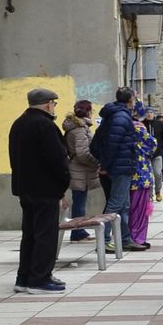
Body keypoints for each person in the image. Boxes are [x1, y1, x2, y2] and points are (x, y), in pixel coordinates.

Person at [8, 87, 70, 295]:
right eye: (54, 103)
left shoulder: (19, 123)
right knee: (46, 234)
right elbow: (57, 159)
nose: (54, 108)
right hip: (45, 188)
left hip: (25, 188)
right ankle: (39, 279)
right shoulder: (45, 125)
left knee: (30, 234)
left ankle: (24, 277)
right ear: (48, 104)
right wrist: (63, 185)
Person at [91, 86, 137, 231]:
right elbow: (112, 144)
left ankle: (124, 238)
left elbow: (97, 141)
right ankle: (104, 240)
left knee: (124, 204)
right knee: (116, 203)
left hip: (120, 165)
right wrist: (105, 165)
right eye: (134, 98)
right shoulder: (121, 117)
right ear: (130, 99)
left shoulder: (114, 114)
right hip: (120, 166)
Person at [64, 99, 101, 241]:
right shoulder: (79, 129)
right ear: (88, 111)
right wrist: (96, 162)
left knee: (79, 200)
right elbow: (83, 153)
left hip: (78, 169)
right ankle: (78, 232)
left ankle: (79, 231)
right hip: (80, 171)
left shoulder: (77, 127)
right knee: (79, 201)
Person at [124, 105, 157, 250]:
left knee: (128, 207)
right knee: (139, 209)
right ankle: (137, 237)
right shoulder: (139, 128)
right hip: (141, 174)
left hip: (127, 172)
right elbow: (152, 145)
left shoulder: (121, 127)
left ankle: (128, 236)